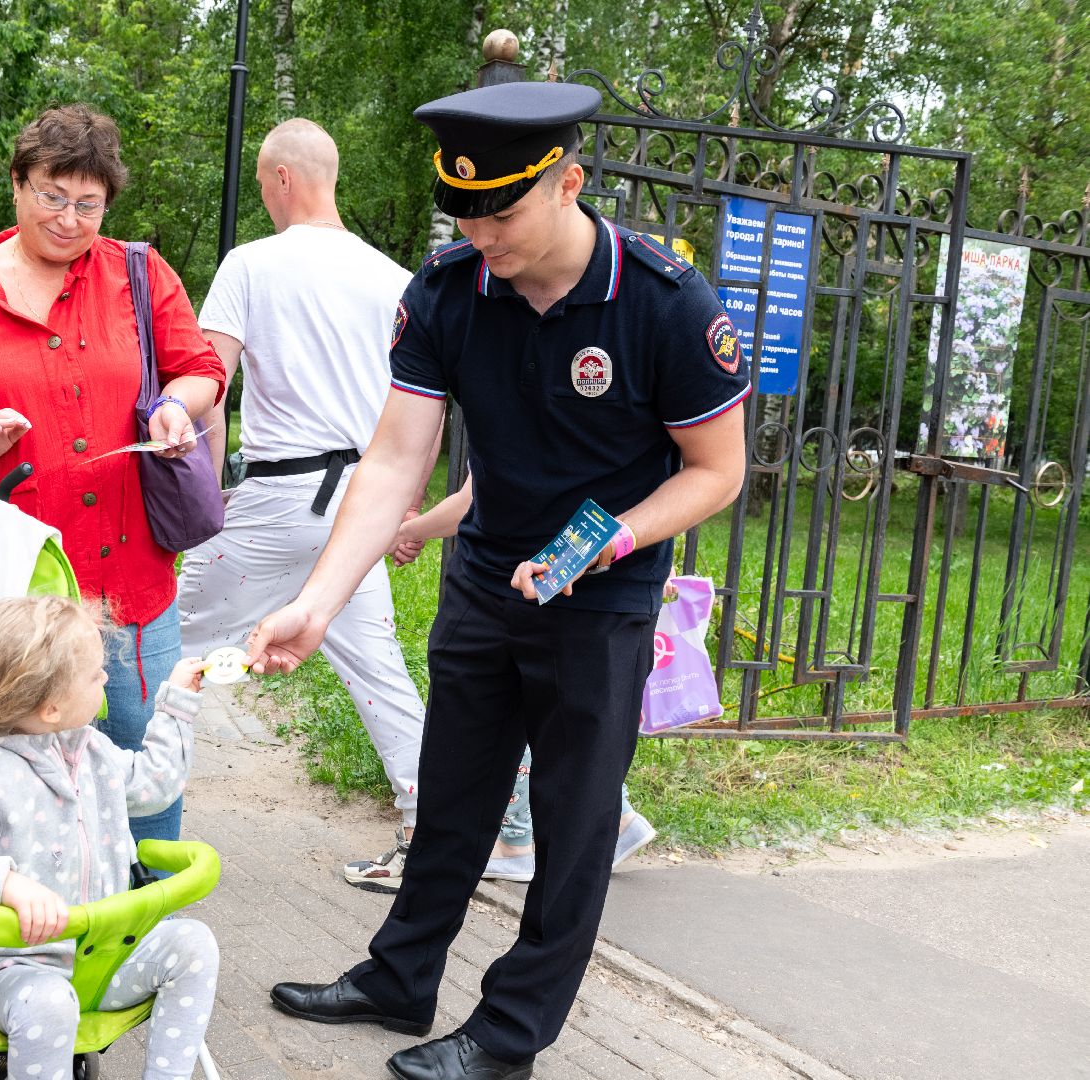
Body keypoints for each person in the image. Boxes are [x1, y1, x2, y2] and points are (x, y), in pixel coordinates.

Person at [247, 82, 749, 1080]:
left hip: (598, 604)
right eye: (465, 214)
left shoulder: (662, 301)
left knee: (571, 822)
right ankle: (400, 978)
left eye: (503, 212)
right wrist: (317, 601)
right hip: (483, 583)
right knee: (455, 792)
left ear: (569, 183)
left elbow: (717, 471)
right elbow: (394, 459)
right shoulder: (446, 289)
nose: (482, 233)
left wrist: (611, 542)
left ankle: (509, 1035)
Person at [0, 104, 226, 847]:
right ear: (17, 185)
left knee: (143, 767)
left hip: (132, 585)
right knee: (12, 774)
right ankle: (24, 934)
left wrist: (173, 406)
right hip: (11, 597)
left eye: (88, 204)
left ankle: (139, 935)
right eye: (51, 195)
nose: (70, 219)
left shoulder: (136, 274)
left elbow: (201, 367)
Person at [180, 117, 468, 889]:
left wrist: (202, 500)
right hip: (360, 508)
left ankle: (112, 798)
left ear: (280, 179)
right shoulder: (397, 279)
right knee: (379, 674)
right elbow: (427, 412)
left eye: (265, 185)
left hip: (282, 500)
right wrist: (401, 511)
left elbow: (212, 390)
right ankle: (426, 837)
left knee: (156, 637)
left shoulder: (251, 263)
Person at [0, 595, 220, 1080]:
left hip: (99, 959)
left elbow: (155, 784)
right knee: (49, 1002)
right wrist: (4, 883)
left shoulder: (91, 750)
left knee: (193, 943)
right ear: (52, 706)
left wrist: (179, 699)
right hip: (11, 973)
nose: (106, 678)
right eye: (96, 673)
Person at [393, 478, 657, 874]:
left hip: (548, 576)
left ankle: (518, 841)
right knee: (560, 723)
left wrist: (408, 531)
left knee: (524, 710)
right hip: (576, 574)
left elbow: (473, 498)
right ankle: (616, 819)